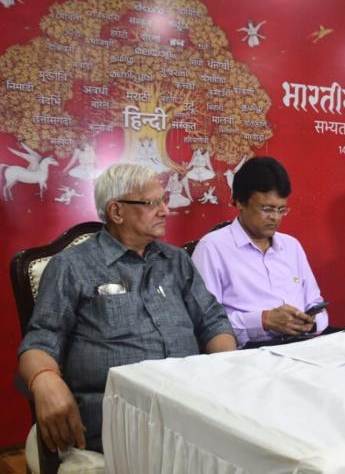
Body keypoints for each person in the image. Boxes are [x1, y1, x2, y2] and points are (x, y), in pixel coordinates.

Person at [17, 164, 235, 454]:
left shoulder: (175, 261)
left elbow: (213, 322)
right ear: (117, 211)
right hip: (121, 417)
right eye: (153, 203)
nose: (165, 210)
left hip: (190, 407)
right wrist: (44, 380)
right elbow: (40, 342)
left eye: (164, 200)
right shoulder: (72, 266)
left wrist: (227, 373)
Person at [192, 157, 328, 346]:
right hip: (247, 352)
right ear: (240, 202)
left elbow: (316, 304)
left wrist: (311, 323)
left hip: (300, 345)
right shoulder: (213, 247)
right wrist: (262, 321)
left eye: (281, 210)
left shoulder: (291, 246)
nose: (275, 218)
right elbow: (204, 322)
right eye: (267, 209)